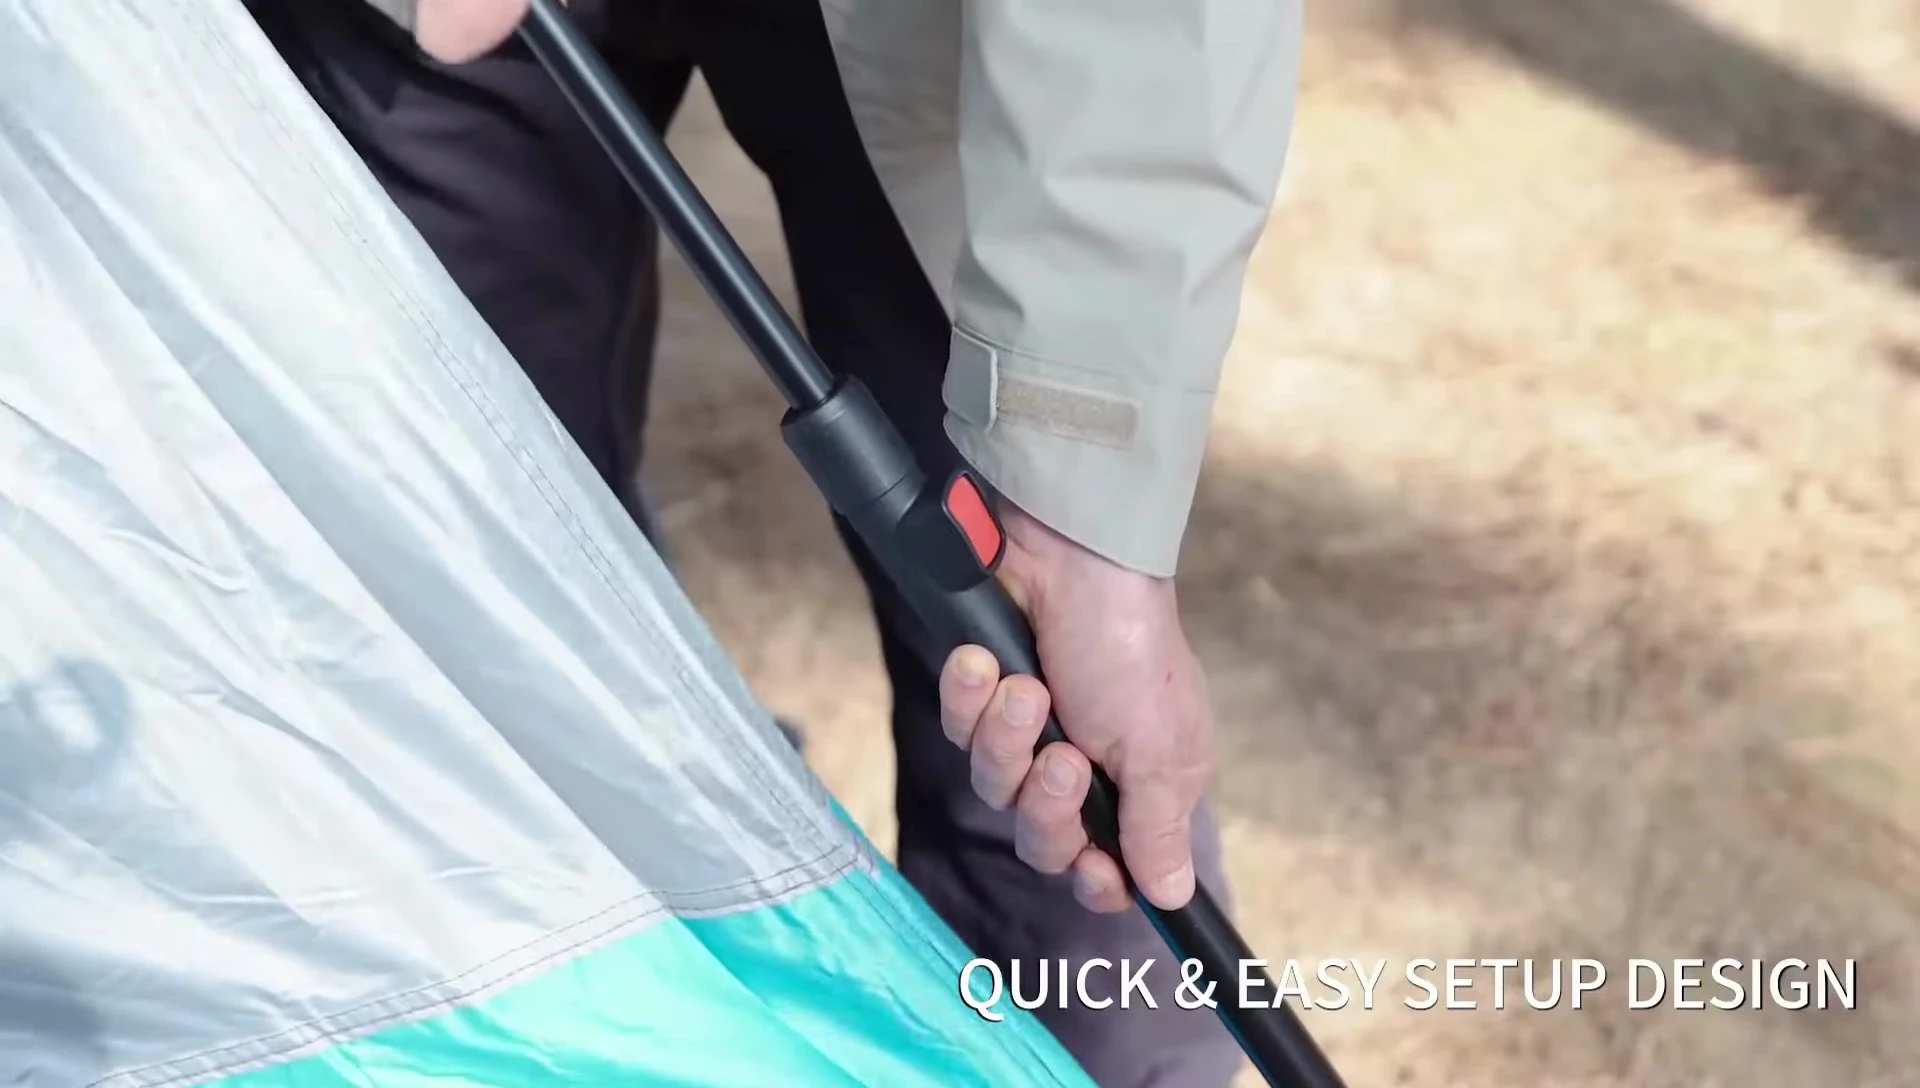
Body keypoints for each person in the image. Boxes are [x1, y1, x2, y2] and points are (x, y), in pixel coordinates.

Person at [243, 0, 1298, 1083]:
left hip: (928, 36)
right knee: (467, 627)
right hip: (429, 44)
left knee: (1033, 702)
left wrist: (1087, 528)